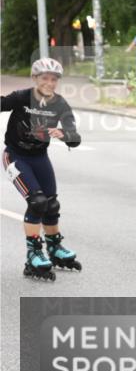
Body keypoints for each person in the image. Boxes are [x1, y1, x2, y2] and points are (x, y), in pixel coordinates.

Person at [1, 58, 83, 281]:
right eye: (44, 78)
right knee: (37, 202)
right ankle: (34, 254)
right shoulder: (21, 97)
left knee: (51, 204)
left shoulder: (60, 105)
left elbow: (74, 138)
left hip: (39, 158)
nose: (49, 82)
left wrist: (65, 135)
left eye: (54, 78)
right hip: (16, 156)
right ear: (35, 78)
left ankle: (55, 248)